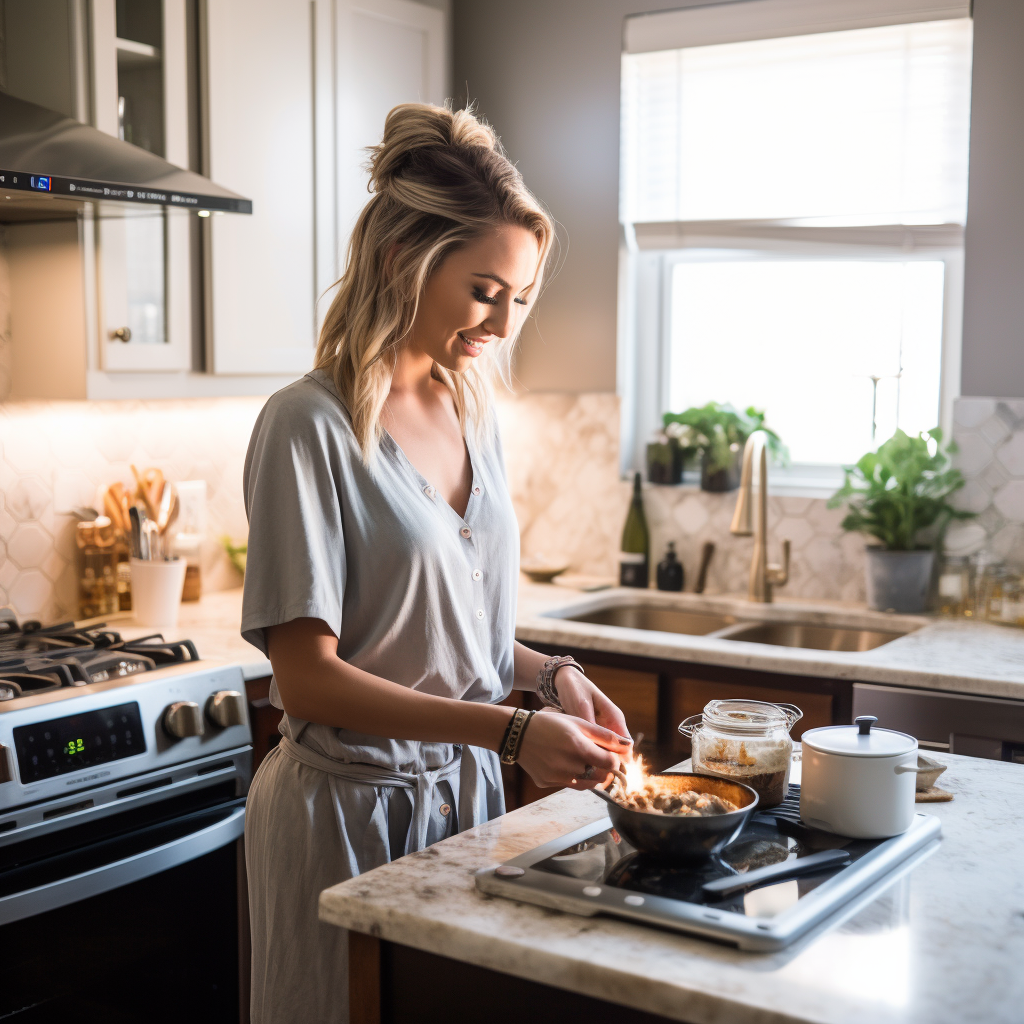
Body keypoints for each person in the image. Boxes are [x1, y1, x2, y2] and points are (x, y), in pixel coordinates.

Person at [240, 102, 632, 1023]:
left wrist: (554, 677)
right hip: (344, 814)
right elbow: (306, 681)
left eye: (520, 297)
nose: (502, 320)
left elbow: (459, 635)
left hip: (465, 810)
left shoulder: (474, 414)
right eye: (484, 288)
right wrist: (505, 731)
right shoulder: (309, 425)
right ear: (401, 261)